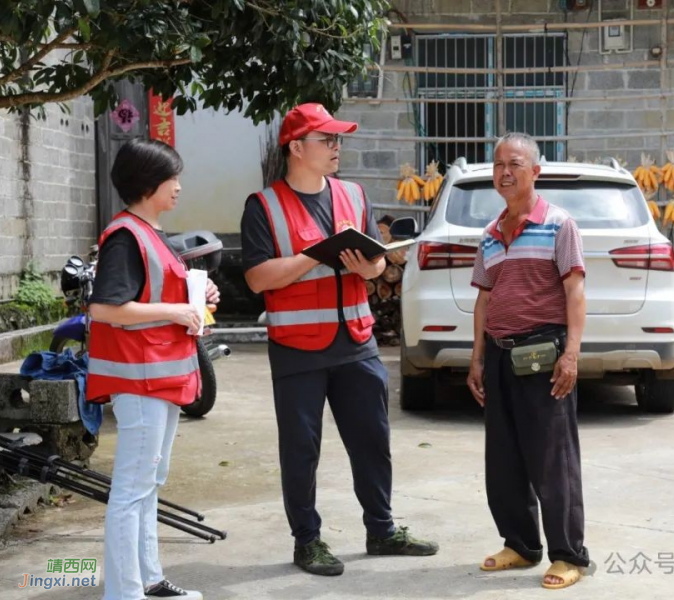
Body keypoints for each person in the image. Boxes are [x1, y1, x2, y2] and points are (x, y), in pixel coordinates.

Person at [240, 103, 438, 577]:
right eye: (326, 140)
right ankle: (307, 541)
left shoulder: (353, 194)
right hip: (297, 347)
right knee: (301, 450)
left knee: (373, 440)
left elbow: (375, 264)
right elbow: (256, 278)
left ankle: (382, 529)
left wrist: (366, 266)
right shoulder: (264, 205)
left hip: (356, 341)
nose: (337, 148)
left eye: (338, 140)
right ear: (295, 148)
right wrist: (314, 257)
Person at [87, 139, 220, 600]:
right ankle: (124, 593)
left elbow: (149, 298)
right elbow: (106, 309)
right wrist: (175, 311)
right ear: (149, 185)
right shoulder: (126, 236)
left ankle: (149, 581)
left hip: (159, 374)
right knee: (132, 488)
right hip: (140, 376)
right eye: (173, 178)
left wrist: (195, 300)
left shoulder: (147, 233)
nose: (179, 187)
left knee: (148, 483)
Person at [467, 132, 591, 590]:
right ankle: (520, 544)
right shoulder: (490, 235)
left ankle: (568, 555)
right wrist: (477, 358)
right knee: (504, 458)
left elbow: (574, 291)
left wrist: (572, 353)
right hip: (499, 356)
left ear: (535, 171)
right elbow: (484, 300)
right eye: (498, 164)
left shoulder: (559, 224)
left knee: (552, 460)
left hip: (544, 355)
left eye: (515, 163)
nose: (504, 172)